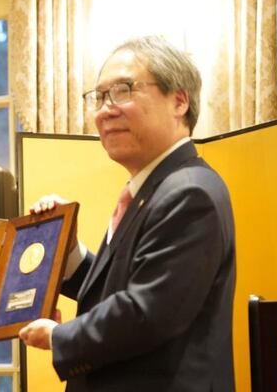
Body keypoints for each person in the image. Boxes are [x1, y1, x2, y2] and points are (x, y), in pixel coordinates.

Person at [20, 36, 236, 391]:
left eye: (123, 91)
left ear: (179, 101)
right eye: (99, 96)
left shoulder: (189, 193)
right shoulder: (153, 189)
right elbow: (121, 288)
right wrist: (69, 252)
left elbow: (147, 312)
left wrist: (60, 337)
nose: (105, 110)